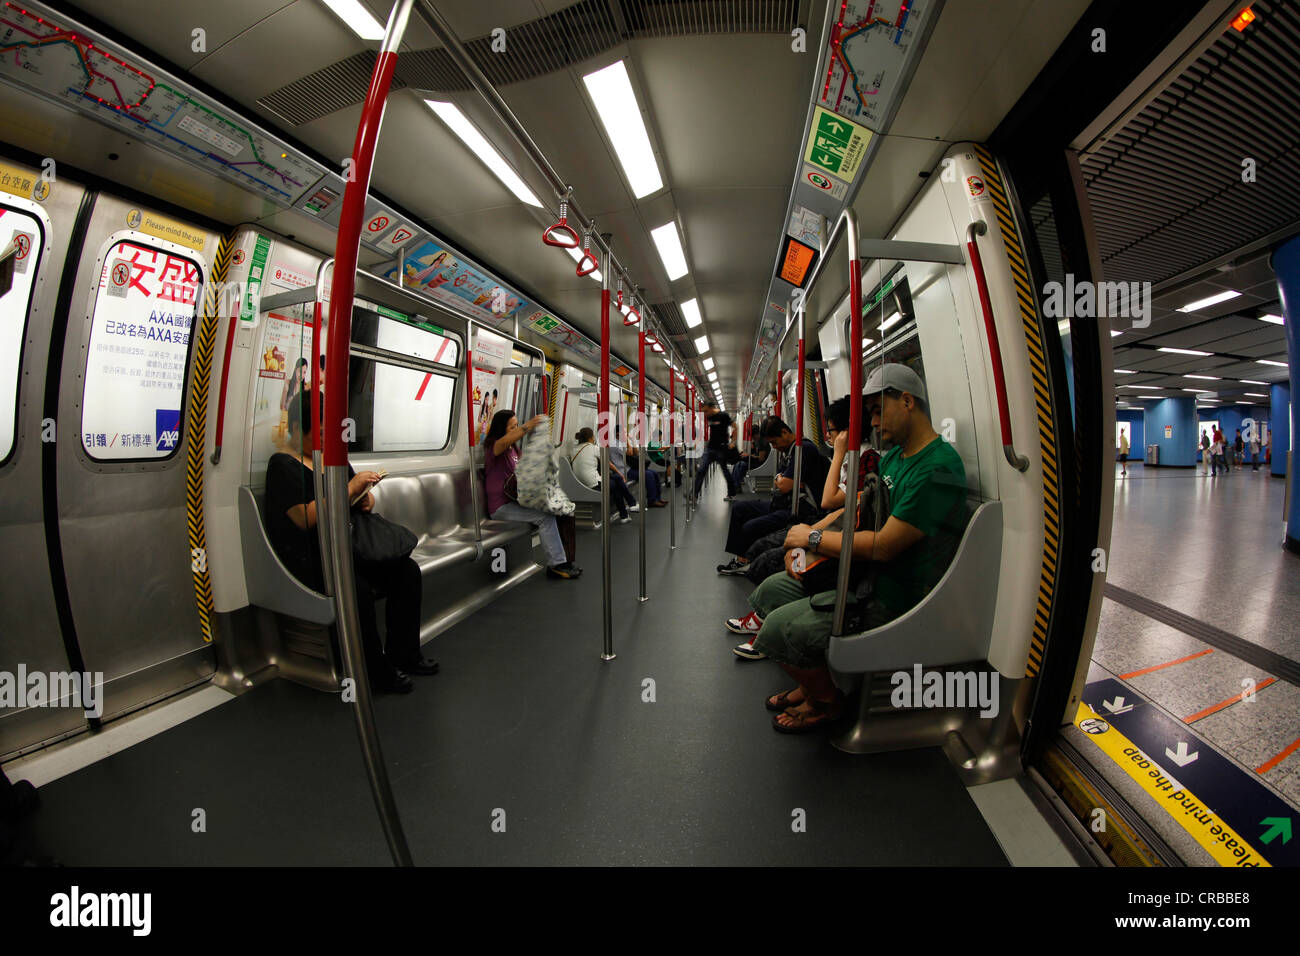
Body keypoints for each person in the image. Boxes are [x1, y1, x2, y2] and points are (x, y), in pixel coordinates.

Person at [728, 364, 967, 733]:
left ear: (906, 401)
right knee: (771, 589)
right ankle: (812, 684)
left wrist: (809, 540)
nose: (871, 422)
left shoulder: (936, 469)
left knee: (775, 630)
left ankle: (827, 702)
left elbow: (886, 546)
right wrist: (805, 537)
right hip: (865, 573)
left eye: (876, 410)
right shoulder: (893, 459)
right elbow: (853, 506)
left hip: (894, 591)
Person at [265, 390, 436, 694]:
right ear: (295, 429)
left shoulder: (334, 460)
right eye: (317, 433)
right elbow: (304, 518)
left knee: (407, 572)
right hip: (314, 556)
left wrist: (365, 496)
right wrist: (349, 489)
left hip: (350, 547)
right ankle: (372, 669)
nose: (323, 440)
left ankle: (405, 653)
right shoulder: (283, 466)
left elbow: (362, 500)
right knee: (355, 590)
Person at [717, 416, 830, 575]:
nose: (774, 448)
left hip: (801, 510)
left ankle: (749, 562)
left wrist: (782, 479)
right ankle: (741, 560)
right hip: (783, 503)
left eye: (774, 442)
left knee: (750, 527)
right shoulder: (788, 452)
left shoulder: (803, 449)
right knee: (739, 508)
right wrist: (783, 479)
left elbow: (783, 486)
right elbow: (779, 477)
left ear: (784, 432)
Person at [484, 409, 581, 578]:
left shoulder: (514, 450)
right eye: (511, 427)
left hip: (516, 500)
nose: (515, 430)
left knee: (561, 511)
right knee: (545, 517)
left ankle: (566, 560)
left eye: (516, 426)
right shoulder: (494, 446)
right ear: (501, 428)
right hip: (501, 506)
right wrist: (527, 426)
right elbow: (501, 445)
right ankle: (556, 565)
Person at [572, 427, 638, 523]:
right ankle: (629, 508)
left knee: (616, 480)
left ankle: (628, 509)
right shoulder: (594, 448)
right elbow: (608, 463)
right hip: (592, 484)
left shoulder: (574, 449)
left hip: (579, 482)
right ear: (591, 437)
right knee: (617, 484)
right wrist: (620, 474)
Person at [693, 402, 738, 500]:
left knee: (725, 471)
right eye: (703, 412)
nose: (705, 414)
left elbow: (735, 426)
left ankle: (732, 493)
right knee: (701, 470)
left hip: (721, 449)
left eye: (706, 411)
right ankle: (694, 494)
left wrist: (733, 442)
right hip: (710, 448)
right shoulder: (709, 417)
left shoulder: (723, 416)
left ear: (712, 408)